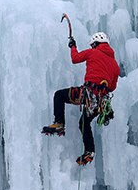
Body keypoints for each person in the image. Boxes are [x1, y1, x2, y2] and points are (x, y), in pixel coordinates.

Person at [42, 31, 119, 165]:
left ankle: (59, 124)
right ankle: (89, 151)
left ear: (95, 44)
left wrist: (72, 46)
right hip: (100, 102)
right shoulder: (115, 65)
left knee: (59, 95)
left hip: (87, 94)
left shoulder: (92, 52)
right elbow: (112, 87)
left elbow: (75, 58)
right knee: (84, 123)